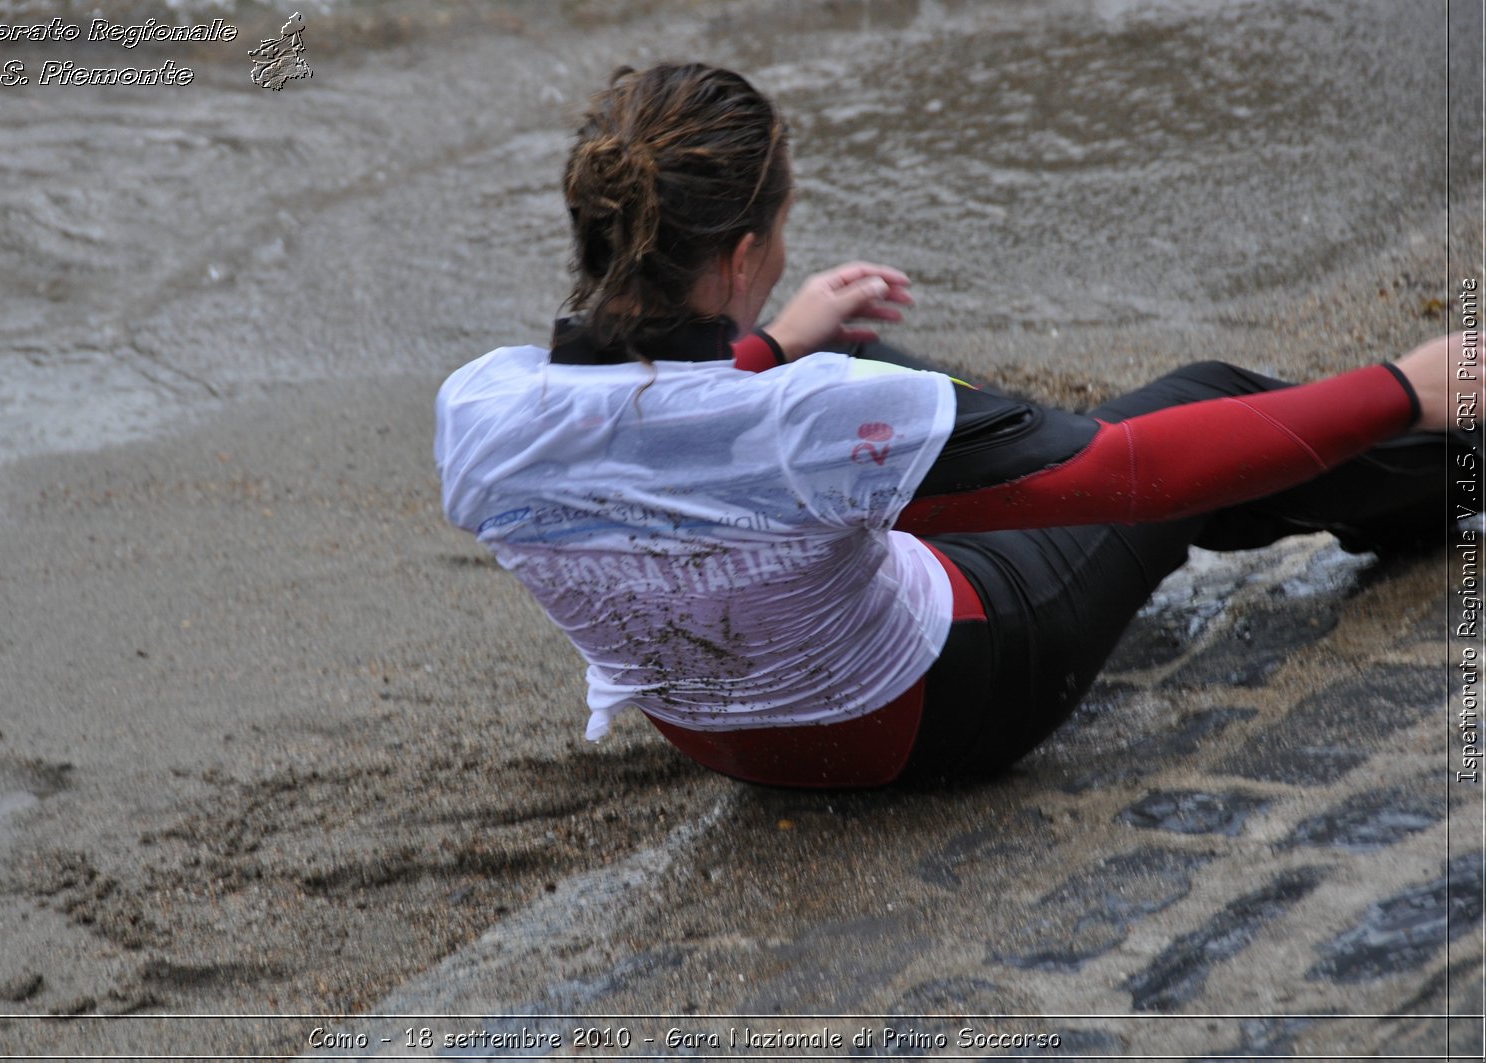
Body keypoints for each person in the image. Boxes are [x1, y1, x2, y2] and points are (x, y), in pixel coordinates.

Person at [435, 62, 1469, 789]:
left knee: (877, 395)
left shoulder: (480, 411)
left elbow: (653, 439)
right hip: (929, 711)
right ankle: (1442, 445)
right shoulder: (814, 416)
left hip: (716, 733)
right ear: (743, 258)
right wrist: (1400, 382)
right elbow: (1131, 471)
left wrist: (775, 346)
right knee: (1197, 401)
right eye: (781, 240)